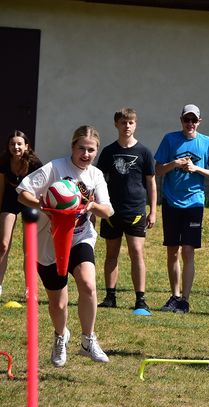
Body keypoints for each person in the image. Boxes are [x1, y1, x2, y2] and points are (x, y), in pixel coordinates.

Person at [17, 125, 113, 367]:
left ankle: (88, 340)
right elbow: (22, 193)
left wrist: (91, 207)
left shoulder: (96, 175)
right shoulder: (55, 168)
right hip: (47, 243)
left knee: (89, 285)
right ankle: (61, 337)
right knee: (58, 302)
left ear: (96, 151)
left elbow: (108, 210)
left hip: (80, 238)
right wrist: (44, 204)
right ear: (72, 147)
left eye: (91, 150)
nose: (86, 154)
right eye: (81, 148)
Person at [154, 104, 209, 313]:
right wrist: (174, 163)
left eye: (193, 120)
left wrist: (196, 168)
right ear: (181, 120)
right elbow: (158, 170)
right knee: (172, 250)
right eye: (186, 120)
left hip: (194, 203)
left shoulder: (207, 143)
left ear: (199, 121)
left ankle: (185, 299)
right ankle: (174, 295)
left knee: (188, 250)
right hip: (172, 202)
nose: (190, 124)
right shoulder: (170, 139)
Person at [96, 108, 157, 311]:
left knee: (136, 252)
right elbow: (98, 181)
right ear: (116, 125)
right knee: (111, 254)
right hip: (111, 211)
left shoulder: (144, 152)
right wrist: (98, 207)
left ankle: (140, 299)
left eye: (130, 122)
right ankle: (110, 296)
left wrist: (153, 210)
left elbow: (151, 183)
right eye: (123, 122)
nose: (127, 126)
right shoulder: (107, 152)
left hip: (136, 210)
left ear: (135, 124)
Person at [0, 130, 42, 297]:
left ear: (26, 146)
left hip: (28, 201)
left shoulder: (35, 163)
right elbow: (1, 187)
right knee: (3, 245)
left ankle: (30, 288)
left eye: (19, 144)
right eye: (12, 144)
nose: (15, 147)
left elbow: (40, 188)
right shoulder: (4, 161)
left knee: (29, 248)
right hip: (9, 201)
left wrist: (40, 208)